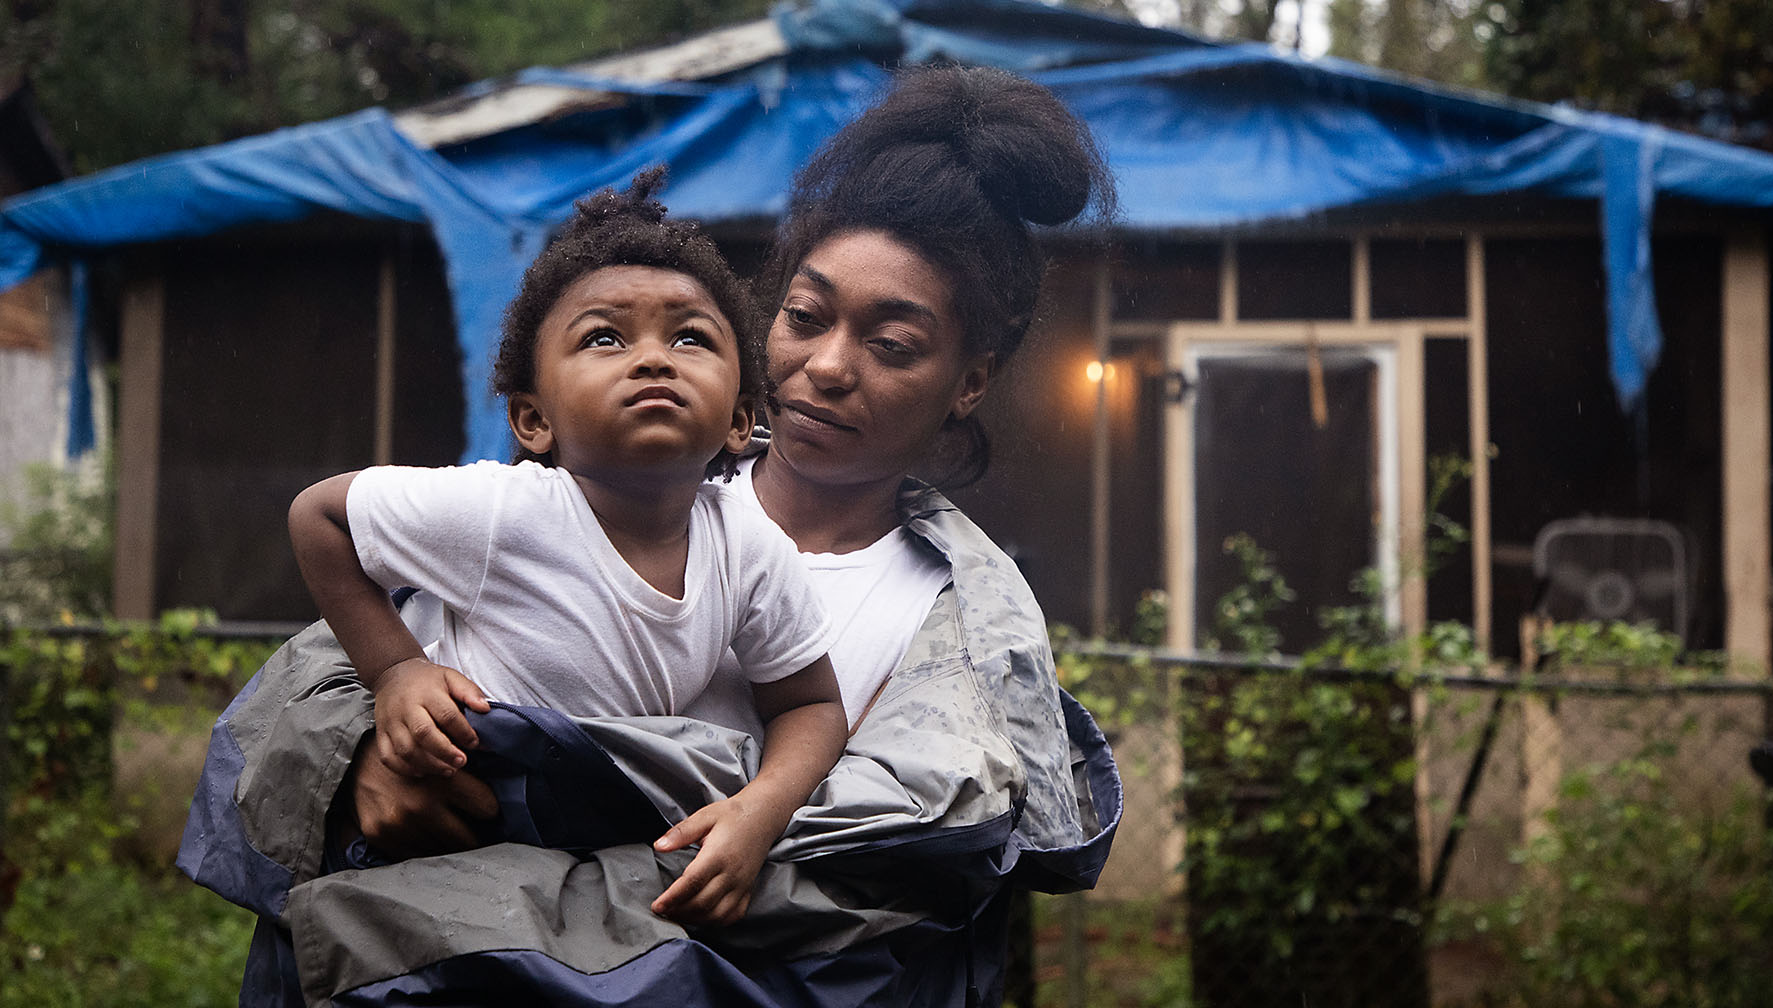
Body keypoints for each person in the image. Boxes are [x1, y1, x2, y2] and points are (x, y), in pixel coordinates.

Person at [180, 65, 1123, 1007]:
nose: (829, 366)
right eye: (804, 316)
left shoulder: (965, 637)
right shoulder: (590, 500)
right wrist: (360, 757)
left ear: (969, 380)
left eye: (893, 344)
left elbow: (907, 898)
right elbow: (331, 665)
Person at [287, 170, 846, 926]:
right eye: (604, 337)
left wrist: (760, 812)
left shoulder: (748, 547)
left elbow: (810, 704)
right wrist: (396, 670)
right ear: (532, 420)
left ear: (740, 420)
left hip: (606, 855)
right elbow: (319, 516)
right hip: (454, 833)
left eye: (690, 337)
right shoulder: (502, 513)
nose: (654, 359)